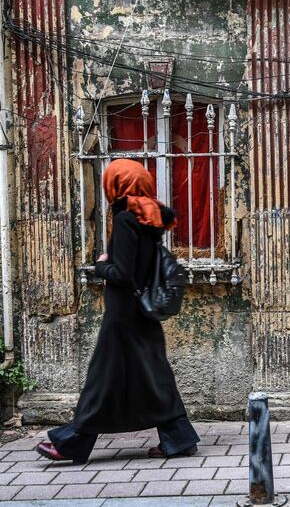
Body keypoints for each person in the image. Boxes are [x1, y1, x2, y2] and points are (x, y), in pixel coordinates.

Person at [36, 159, 199, 464]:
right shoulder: (150, 217)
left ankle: (73, 443)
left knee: (103, 380)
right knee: (153, 377)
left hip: (123, 316)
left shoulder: (126, 220)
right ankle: (179, 438)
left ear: (118, 186)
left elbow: (122, 273)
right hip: (142, 314)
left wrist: (101, 264)